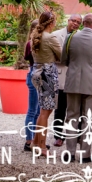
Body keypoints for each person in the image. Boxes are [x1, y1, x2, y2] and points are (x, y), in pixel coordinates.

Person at [62, 13, 92, 162]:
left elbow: (64, 59)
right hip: (91, 83)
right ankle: (85, 154)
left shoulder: (70, 37)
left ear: (83, 24)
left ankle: (70, 152)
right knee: (88, 118)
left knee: (71, 117)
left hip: (73, 82)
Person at [29, 11, 61, 154]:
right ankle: (42, 146)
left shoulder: (35, 36)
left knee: (43, 110)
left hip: (37, 70)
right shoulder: (50, 37)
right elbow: (61, 56)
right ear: (51, 23)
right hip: (48, 73)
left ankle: (35, 143)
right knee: (45, 112)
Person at [51, 13, 83, 147]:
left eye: (78, 22)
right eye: (73, 21)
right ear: (68, 20)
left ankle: (76, 136)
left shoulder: (82, 36)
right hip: (61, 74)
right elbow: (52, 56)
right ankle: (58, 136)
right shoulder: (56, 35)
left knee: (77, 109)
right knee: (60, 108)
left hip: (76, 76)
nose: (75, 24)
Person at [23, 20, 40, 152]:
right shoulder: (32, 43)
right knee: (32, 111)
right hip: (34, 75)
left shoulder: (31, 43)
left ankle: (35, 139)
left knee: (38, 111)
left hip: (36, 76)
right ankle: (29, 141)